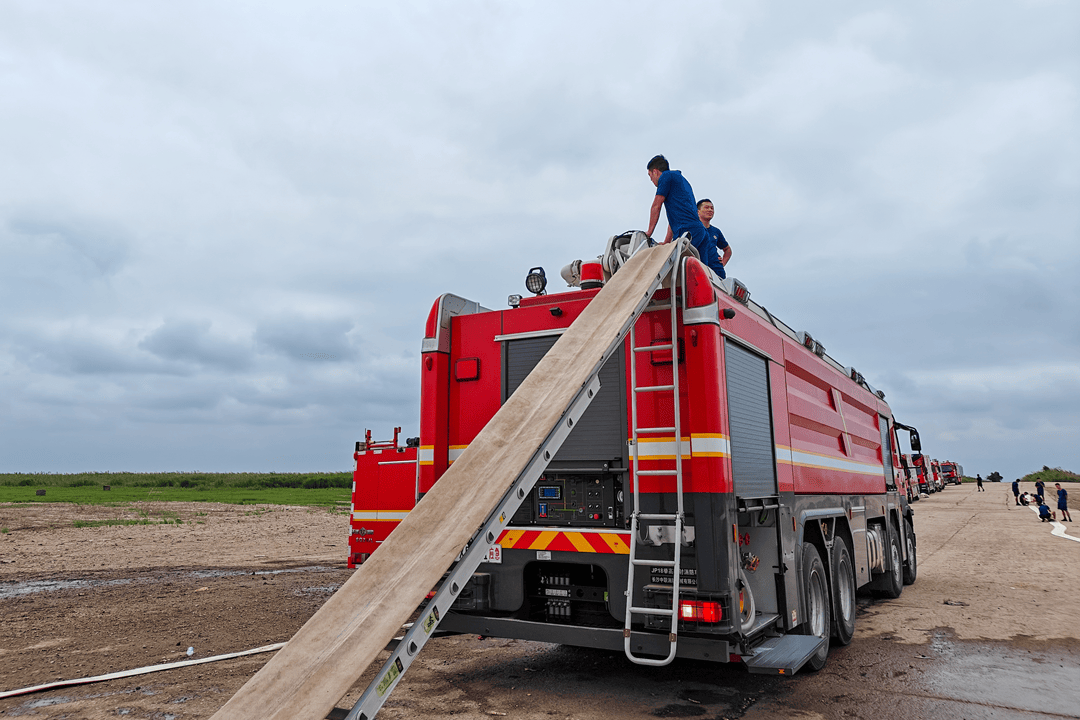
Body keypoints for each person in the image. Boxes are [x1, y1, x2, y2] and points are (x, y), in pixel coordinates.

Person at [646, 155, 725, 278]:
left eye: (650, 176)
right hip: (700, 232)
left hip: (688, 232)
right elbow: (674, 219)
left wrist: (648, 233)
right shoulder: (681, 180)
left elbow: (656, 205)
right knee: (699, 277)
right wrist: (667, 242)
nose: (651, 180)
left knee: (676, 272)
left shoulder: (666, 177)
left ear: (655, 172)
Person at [696, 198, 732, 273]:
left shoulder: (716, 231)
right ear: (698, 211)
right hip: (699, 267)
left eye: (712, 208)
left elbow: (728, 250)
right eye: (706, 207)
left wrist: (723, 262)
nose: (710, 210)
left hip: (716, 270)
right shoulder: (693, 229)